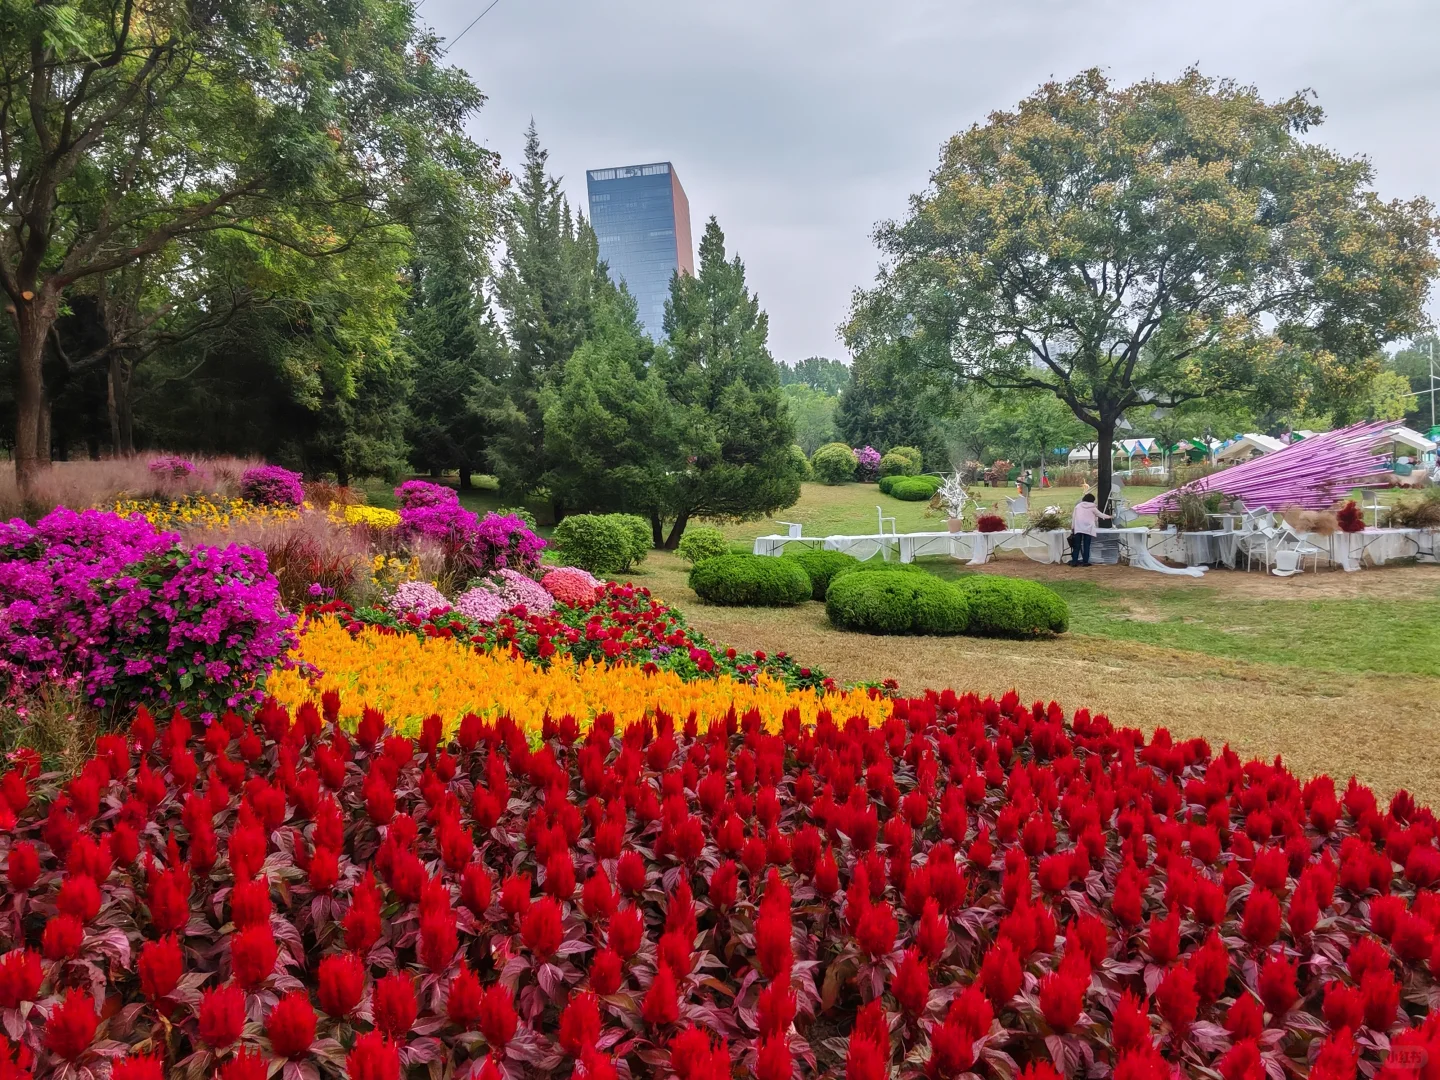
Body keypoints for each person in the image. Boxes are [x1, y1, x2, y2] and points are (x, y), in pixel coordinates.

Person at [1068, 492, 1112, 566]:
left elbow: (1074, 517)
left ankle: (1074, 561)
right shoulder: (1093, 508)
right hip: (1088, 528)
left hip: (1078, 527)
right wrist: (1110, 516)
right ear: (1092, 500)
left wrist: (1072, 527)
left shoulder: (1078, 506)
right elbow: (1100, 515)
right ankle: (1085, 561)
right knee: (1086, 545)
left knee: (1076, 545)